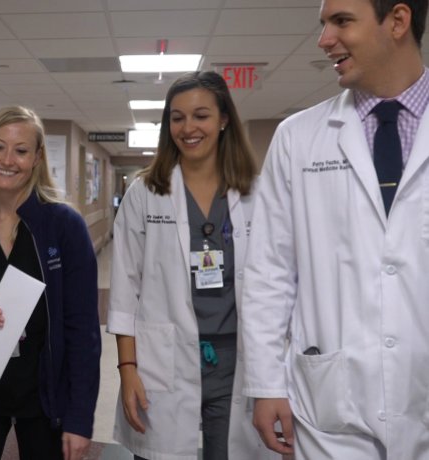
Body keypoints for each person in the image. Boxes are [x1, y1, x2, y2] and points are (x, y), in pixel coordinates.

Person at [241, 1, 429, 458]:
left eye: (341, 22)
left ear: (398, 21)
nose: (324, 40)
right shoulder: (298, 136)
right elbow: (269, 272)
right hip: (331, 404)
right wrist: (266, 384)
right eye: (324, 24)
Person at [107, 71, 278, 460]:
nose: (188, 127)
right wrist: (128, 368)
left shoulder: (257, 191)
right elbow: (123, 290)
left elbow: (277, 279)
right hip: (161, 358)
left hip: (239, 357)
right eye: (177, 117)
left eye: (201, 115)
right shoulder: (146, 192)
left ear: (223, 119)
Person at [0, 106, 100, 460]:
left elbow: (83, 329)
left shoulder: (63, 225)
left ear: (37, 157)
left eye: (21, 150)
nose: (7, 160)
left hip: (45, 397)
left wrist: (79, 418)